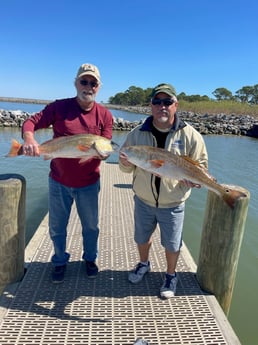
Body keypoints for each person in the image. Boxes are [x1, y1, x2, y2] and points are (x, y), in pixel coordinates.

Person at [22, 63, 114, 283]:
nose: (88, 86)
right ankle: (60, 261)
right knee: (57, 226)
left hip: (89, 183)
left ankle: (90, 259)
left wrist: (103, 154)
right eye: (84, 81)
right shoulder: (59, 107)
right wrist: (29, 140)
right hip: (58, 181)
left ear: (99, 87)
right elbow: (31, 122)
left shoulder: (105, 115)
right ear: (76, 83)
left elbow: (106, 146)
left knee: (91, 226)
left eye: (93, 83)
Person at [119, 83, 208, 299]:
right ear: (151, 105)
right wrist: (126, 161)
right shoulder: (136, 133)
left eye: (167, 101)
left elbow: (202, 166)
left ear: (175, 105)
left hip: (174, 202)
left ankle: (170, 275)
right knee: (142, 237)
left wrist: (196, 180)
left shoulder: (191, 135)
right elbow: (123, 167)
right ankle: (143, 264)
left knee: (172, 243)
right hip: (143, 199)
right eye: (157, 102)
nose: (162, 106)